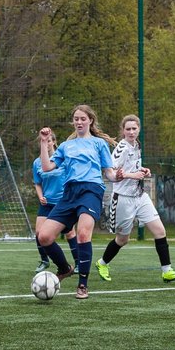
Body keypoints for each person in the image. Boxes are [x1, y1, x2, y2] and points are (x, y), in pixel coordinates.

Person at [36, 105, 116, 300]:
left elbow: (110, 174)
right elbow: (46, 167)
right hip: (69, 193)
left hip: (91, 190)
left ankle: (83, 284)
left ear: (90, 121)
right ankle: (64, 269)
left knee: (82, 234)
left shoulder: (98, 144)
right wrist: (44, 142)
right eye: (76, 119)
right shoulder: (66, 145)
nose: (79, 122)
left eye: (82, 118)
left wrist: (126, 175)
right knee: (43, 236)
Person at [94, 115, 175, 284]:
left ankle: (167, 271)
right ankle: (102, 263)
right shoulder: (121, 148)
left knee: (160, 232)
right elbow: (111, 171)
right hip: (122, 199)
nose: (131, 132)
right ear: (123, 131)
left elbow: (132, 167)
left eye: (134, 128)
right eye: (128, 129)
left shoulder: (137, 145)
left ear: (139, 129)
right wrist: (130, 175)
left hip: (140, 195)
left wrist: (143, 171)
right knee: (123, 239)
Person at [32, 129, 79, 273]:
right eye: (43, 142)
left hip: (63, 202)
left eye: (49, 141)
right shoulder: (37, 163)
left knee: (70, 233)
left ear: (54, 142)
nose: (46, 144)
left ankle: (78, 264)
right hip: (47, 203)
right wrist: (40, 196)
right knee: (39, 233)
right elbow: (37, 183)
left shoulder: (63, 159)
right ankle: (45, 260)